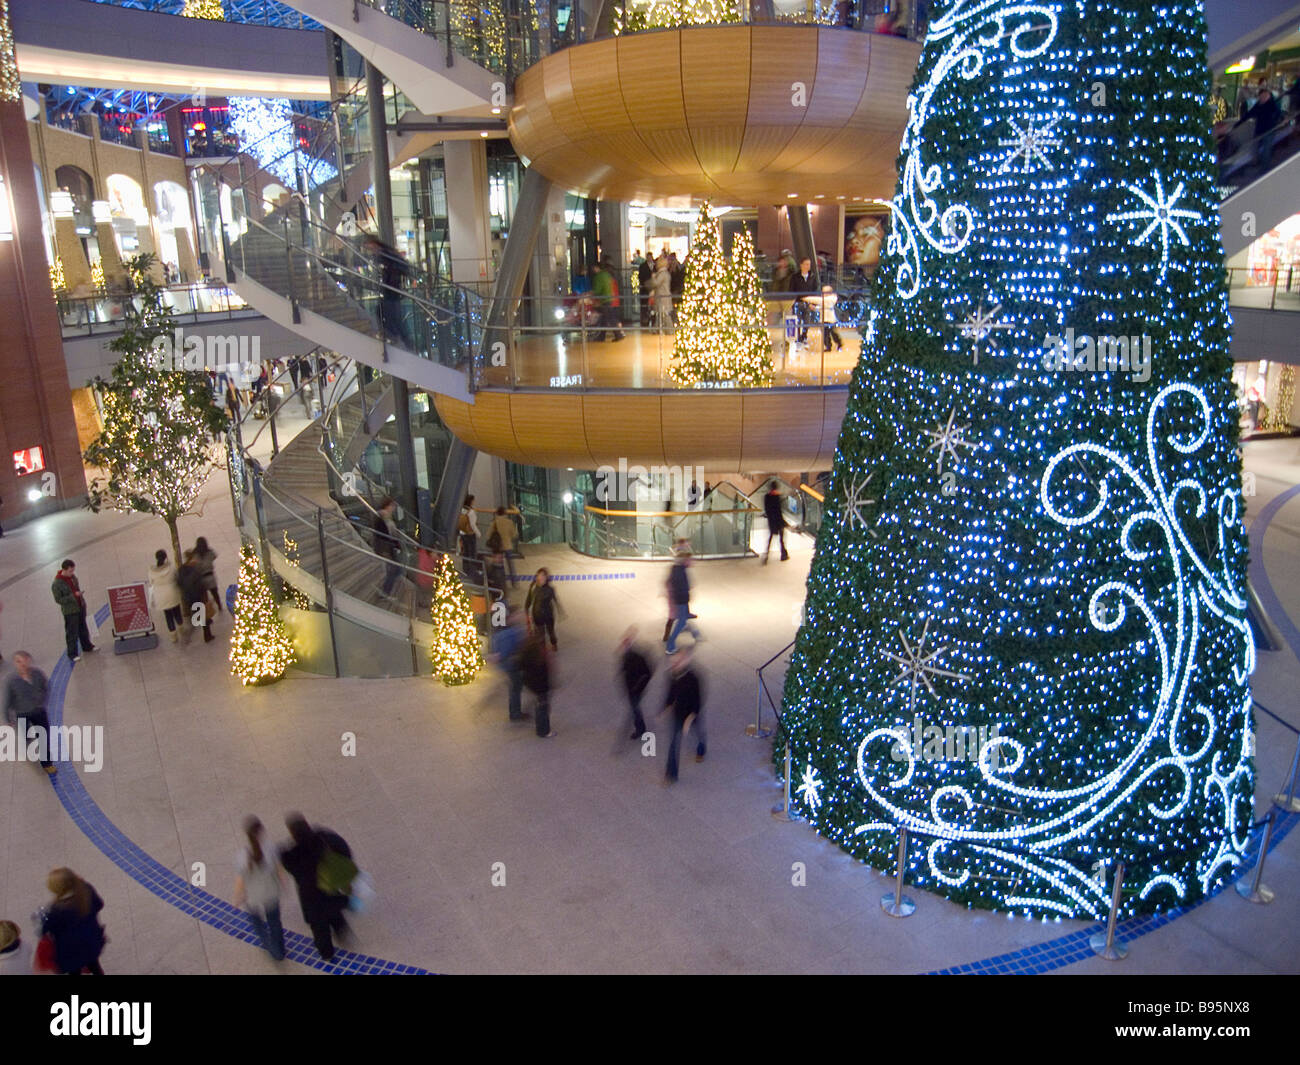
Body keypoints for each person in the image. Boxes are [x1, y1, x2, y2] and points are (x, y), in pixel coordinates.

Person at [280, 814, 354, 962]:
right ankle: (341, 932)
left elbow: (289, 866)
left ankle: (327, 953)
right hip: (329, 887)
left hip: (310, 896)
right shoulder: (324, 839)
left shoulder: (291, 854)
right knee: (335, 912)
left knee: (319, 927)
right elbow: (343, 848)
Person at [234, 816, 285, 962]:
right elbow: (280, 871)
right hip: (271, 893)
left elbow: (240, 882)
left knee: (257, 924)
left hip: (253, 897)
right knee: (275, 922)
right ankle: (280, 947)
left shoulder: (242, 856)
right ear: (261, 831)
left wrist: (237, 899)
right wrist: (282, 885)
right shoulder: (271, 849)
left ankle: (274, 950)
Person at [40, 869, 107, 975]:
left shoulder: (56, 909)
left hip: (72, 951)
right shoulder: (86, 889)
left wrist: (43, 918)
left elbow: (46, 930)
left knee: (74, 972)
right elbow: (99, 904)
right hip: (91, 941)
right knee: (95, 965)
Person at [4, 651, 56, 775]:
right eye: (18, 661)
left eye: (24, 660)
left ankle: (47, 763)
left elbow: (45, 688)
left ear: (29, 660)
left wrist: (42, 701)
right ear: (15, 664)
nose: (22, 664)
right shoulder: (12, 681)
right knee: (25, 734)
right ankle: (26, 742)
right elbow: (8, 701)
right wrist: (8, 719)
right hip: (22, 714)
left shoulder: (38, 675)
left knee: (43, 737)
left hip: (38, 712)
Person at [660, 648, 706, 784]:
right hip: (677, 714)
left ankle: (701, 749)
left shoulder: (694, 678)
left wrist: (689, 719)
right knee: (673, 743)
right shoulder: (672, 674)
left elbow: (698, 701)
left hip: (691, 713)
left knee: (697, 733)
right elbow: (671, 693)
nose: (675, 663)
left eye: (679, 660)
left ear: (686, 661)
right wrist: (665, 708)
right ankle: (670, 775)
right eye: (674, 660)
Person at [51, 560, 95, 663]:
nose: (72, 573)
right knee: (72, 632)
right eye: (70, 571)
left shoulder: (73, 577)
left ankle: (87, 646)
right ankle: (72, 653)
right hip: (70, 611)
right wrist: (73, 596)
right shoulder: (57, 584)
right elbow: (59, 600)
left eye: (73, 570)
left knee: (83, 628)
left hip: (80, 606)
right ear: (64, 570)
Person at [490, 607, 529, 723]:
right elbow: (505, 652)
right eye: (518, 614)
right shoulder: (510, 633)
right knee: (515, 688)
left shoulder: (506, 629)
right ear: (511, 617)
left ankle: (515, 712)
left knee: (515, 687)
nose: (521, 617)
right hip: (512, 665)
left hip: (510, 665)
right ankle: (515, 713)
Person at [520, 626, 556, 738]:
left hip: (531, 681)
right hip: (540, 684)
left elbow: (521, 663)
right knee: (543, 706)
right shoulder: (540, 652)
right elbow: (546, 669)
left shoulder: (526, 647)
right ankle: (544, 731)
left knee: (540, 704)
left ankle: (540, 725)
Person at [617, 627, 653, 740]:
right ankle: (640, 727)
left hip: (635, 688)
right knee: (634, 708)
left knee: (635, 709)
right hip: (631, 686)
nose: (622, 644)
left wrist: (638, 687)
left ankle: (641, 729)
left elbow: (647, 673)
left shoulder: (636, 656)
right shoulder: (627, 653)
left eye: (625, 642)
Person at [665, 548, 701, 654]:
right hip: (681, 600)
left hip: (681, 599)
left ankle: (696, 633)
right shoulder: (680, 571)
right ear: (685, 560)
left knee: (684, 619)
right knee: (681, 622)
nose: (692, 561)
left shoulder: (677, 569)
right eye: (690, 560)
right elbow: (682, 587)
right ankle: (670, 645)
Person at [147, 549, 184, 642]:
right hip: (173, 593)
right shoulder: (171, 568)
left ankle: (173, 636)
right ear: (166, 557)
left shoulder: (151, 571)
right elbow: (177, 577)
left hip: (161, 596)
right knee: (177, 612)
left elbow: (151, 582)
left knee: (168, 616)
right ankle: (181, 628)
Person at [177, 549, 212, 643]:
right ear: (192, 558)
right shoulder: (196, 569)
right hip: (197, 596)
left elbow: (179, 582)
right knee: (204, 616)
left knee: (195, 612)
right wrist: (205, 597)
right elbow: (201, 585)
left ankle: (195, 623)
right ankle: (207, 635)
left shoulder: (181, 569)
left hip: (187, 596)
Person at [524, 567, 562, 650]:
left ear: (546, 578)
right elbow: (528, 601)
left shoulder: (550, 589)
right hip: (537, 615)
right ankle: (543, 650)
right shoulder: (533, 588)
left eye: (543, 576)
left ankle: (553, 643)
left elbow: (555, 600)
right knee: (540, 635)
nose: (540, 578)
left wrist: (560, 611)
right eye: (539, 575)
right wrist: (526, 611)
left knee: (551, 631)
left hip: (548, 615)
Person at [372, 497, 402, 598]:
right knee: (395, 569)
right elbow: (386, 534)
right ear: (388, 506)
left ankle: (385, 591)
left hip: (389, 547)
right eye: (392, 506)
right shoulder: (383, 517)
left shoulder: (386, 517)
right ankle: (385, 592)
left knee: (396, 569)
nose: (393, 509)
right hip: (386, 548)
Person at [790, 257, 819, 344]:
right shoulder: (795, 277)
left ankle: (804, 336)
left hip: (808, 303)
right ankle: (798, 338)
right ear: (801, 265)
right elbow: (791, 290)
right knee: (797, 321)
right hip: (798, 303)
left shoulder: (813, 277)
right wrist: (793, 302)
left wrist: (813, 303)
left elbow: (815, 290)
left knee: (807, 321)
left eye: (809, 264)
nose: (808, 266)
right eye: (806, 264)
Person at [486, 506, 519, 581]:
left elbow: (488, 534)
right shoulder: (509, 522)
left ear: (497, 513)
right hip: (507, 546)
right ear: (505, 513)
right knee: (511, 565)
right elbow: (514, 534)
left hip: (498, 547)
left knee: (500, 565)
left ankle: (502, 580)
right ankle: (514, 582)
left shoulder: (495, 522)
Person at [192, 537, 221, 617]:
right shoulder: (209, 552)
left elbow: (194, 564)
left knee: (204, 597)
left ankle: (206, 612)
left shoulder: (195, 554)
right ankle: (219, 606)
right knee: (215, 593)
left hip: (202, 579)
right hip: (210, 576)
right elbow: (215, 556)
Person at [762, 480, 790, 564]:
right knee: (781, 539)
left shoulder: (767, 496)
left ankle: (766, 555)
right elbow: (779, 511)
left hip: (771, 521)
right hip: (778, 521)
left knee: (770, 537)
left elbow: (767, 509)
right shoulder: (777, 497)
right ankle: (783, 554)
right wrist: (783, 522)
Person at [817, 284, 844, 352]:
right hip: (823, 320)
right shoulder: (822, 299)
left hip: (831, 320)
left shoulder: (832, 298)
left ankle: (839, 344)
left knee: (834, 334)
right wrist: (815, 308)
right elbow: (820, 307)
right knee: (825, 335)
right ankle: (828, 346)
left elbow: (825, 302)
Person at [650, 255, 674, 332]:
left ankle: (669, 330)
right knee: (660, 314)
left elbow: (656, 283)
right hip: (662, 296)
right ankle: (656, 329)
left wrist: (653, 277)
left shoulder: (662, 274)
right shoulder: (664, 273)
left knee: (664, 314)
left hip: (663, 297)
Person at [458, 495, 478, 574]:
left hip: (462, 533)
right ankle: (472, 570)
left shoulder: (461, 510)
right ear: (471, 501)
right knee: (472, 552)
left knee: (465, 552)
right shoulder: (471, 512)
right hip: (470, 534)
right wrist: (478, 533)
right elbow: (473, 525)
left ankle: (465, 569)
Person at [636, 250, 654, 327]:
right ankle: (644, 321)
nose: (649, 258)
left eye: (650, 257)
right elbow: (640, 277)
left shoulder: (655, 265)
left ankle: (653, 320)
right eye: (648, 257)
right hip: (645, 289)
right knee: (644, 305)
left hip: (653, 289)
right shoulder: (642, 266)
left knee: (653, 306)